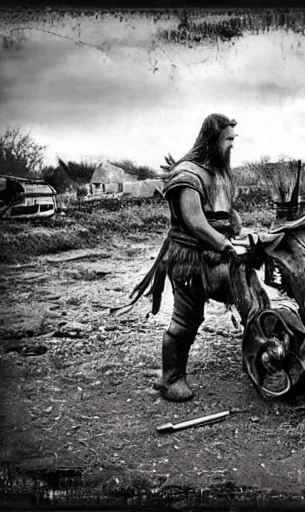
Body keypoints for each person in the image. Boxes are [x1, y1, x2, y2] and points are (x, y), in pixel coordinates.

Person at [126, 113, 247, 402]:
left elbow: (223, 210)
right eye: (227, 140)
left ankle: (259, 350)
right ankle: (170, 378)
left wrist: (236, 224)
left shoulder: (220, 173)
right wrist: (223, 242)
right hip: (189, 259)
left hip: (217, 256)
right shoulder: (187, 174)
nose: (231, 145)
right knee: (187, 319)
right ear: (213, 138)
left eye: (233, 140)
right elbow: (194, 221)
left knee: (247, 297)